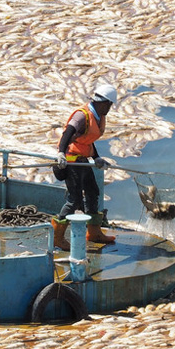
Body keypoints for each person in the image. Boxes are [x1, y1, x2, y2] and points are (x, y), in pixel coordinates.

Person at [52, 83, 118, 250]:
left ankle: (94, 232)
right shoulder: (82, 116)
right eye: (110, 105)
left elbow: (87, 140)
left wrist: (96, 158)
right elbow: (68, 133)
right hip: (71, 161)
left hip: (83, 161)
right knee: (74, 199)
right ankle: (57, 238)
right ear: (103, 103)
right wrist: (60, 153)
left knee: (92, 192)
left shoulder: (97, 116)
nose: (109, 108)